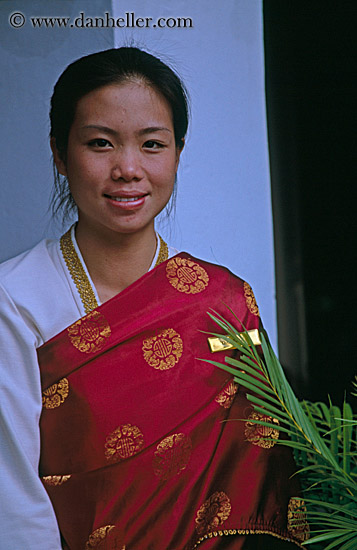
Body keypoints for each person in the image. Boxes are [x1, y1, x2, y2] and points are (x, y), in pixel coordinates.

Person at [0, 47, 309, 549]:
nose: (127, 168)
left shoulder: (227, 303)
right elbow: (10, 494)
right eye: (100, 143)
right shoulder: (13, 300)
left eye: (152, 144)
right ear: (59, 153)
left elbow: (264, 455)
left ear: (178, 152)